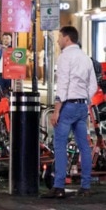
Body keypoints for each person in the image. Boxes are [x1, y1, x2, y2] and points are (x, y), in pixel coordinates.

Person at [42, 26, 98, 198]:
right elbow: (93, 85)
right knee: (84, 147)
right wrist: (84, 99)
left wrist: (57, 110)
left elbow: (63, 85)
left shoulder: (65, 57)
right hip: (82, 107)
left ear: (67, 38)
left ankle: (59, 186)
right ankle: (85, 186)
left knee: (60, 146)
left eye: (60, 37)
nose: (58, 40)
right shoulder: (86, 58)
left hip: (68, 106)